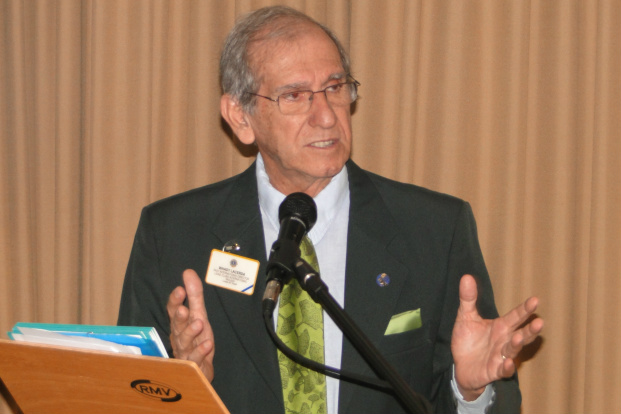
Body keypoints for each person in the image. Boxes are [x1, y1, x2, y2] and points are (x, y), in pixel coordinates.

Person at [118, 6, 543, 414]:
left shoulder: (435, 230)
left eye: (336, 88)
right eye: (295, 95)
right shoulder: (171, 235)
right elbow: (124, 399)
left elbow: (487, 398)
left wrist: (470, 392)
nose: (326, 116)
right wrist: (185, 389)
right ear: (241, 117)